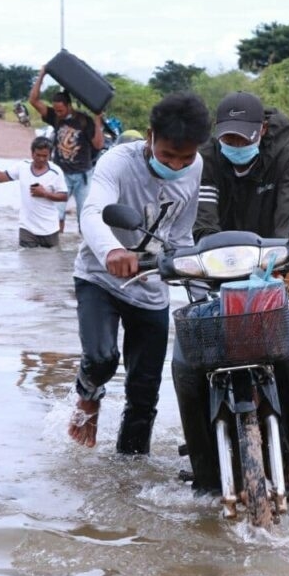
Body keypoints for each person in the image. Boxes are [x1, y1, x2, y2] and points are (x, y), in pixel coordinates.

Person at [68, 92, 211, 454]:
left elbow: (181, 232)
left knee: (145, 392)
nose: (177, 165)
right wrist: (112, 250)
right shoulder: (117, 162)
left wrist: (196, 280)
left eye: (185, 157)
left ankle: (130, 474)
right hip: (100, 277)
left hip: (150, 286)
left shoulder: (195, 167)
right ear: (149, 137)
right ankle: (88, 395)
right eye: (167, 155)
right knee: (101, 360)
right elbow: (92, 212)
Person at [195, 91, 289, 303]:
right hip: (224, 254)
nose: (236, 145)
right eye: (229, 138)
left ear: (263, 129)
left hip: (278, 250)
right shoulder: (206, 158)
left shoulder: (287, 156)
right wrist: (214, 256)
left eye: (243, 138)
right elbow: (205, 218)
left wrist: (281, 259)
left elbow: (288, 216)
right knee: (205, 319)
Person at [28, 63, 106, 233]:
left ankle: (84, 250)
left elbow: (99, 145)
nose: (58, 113)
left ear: (69, 106)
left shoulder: (85, 121)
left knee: (85, 217)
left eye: (61, 110)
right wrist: (42, 75)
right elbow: (33, 100)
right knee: (56, 216)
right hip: (61, 175)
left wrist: (98, 119)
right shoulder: (55, 118)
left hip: (83, 175)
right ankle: (57, 252)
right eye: (55, 110)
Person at [0, 136, 68, 248]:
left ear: (50, 155)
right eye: (38, 155)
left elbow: (64, 196)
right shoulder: (22, 167)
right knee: (27, 260)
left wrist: (44, 193)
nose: (41, 159)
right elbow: (0, 177)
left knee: (51, 261)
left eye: (45, 156)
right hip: (27, 228)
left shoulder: (56, 172)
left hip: (49, 228)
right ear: (32, 154)